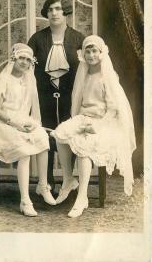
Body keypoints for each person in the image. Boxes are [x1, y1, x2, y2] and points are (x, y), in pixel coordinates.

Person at [51, 35, 136, 218]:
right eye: (87, 51)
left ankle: (82, 197)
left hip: (104, 122)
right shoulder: (84, 74)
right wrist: (79, 122)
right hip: (84, 117)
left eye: (94, 51)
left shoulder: (108, 76)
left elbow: (113, 109)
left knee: (84, 147)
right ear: (84, 55)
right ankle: (68, 180)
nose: (91, 55)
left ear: (101, 53)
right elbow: (79, 102)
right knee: (60, 134)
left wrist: (96, 126)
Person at [0, 43, 56, 217]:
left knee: (42, 138)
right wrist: (14, 124)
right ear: (14, 59)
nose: (24, 62)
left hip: (22, 121)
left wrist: (32, 124)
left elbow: (32, 110)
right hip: (3, 123)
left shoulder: (29, 79)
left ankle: (43, 186)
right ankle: (25, 201)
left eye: (28, 60)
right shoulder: (5, 79)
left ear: (31, 63)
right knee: (25, 151)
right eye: (21, 58)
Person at [28, 0, 85, 186]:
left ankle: (69, 180)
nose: (54, 13)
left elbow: (87, 71)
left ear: (66, 11)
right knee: (46, 136)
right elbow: (26, 70)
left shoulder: (78, 39)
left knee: (70, 136)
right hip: (44, 98)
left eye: (58, 8)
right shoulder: (37, 39)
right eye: (51, 9)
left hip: (71, 98)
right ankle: (48, 181)